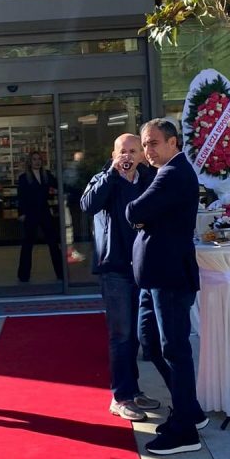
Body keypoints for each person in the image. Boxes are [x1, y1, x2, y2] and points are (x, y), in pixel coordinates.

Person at [126, 119, 205, 455]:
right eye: (145, 144)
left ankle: (185, 430)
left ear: (173, 142)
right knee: (151, 343)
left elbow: (134, 211)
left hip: (169, 276)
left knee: (174, 350)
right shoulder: (164, 173)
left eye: (153, 143)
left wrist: (142, 216)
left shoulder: (172, 173)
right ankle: (190, 410)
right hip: (155, 277)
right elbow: (143, 214)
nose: (147, 150)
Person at [81, 133, 164, 422]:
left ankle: (134, 389)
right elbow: (87, 205)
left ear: (142, 155)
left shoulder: (149, 179)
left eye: (133, 150)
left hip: (143, 267)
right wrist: (111, 175)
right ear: (114, 154)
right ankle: (121, 397)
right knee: (121, 335)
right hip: (114, 269)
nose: (127, 156)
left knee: (138, 335)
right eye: (122, 151)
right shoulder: (104, 179)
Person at [16, 151, 64, 282]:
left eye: (39, 159)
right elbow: (21, 197)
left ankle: (61, 273)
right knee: (27, 244)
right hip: (30, 213)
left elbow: (58, 185)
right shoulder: (24, 178)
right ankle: (23, 275)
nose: (37, 161)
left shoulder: (46, 175)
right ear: (30, 162)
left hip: (44, 212)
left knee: (53, 243)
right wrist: (21, 213)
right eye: (34, 159)